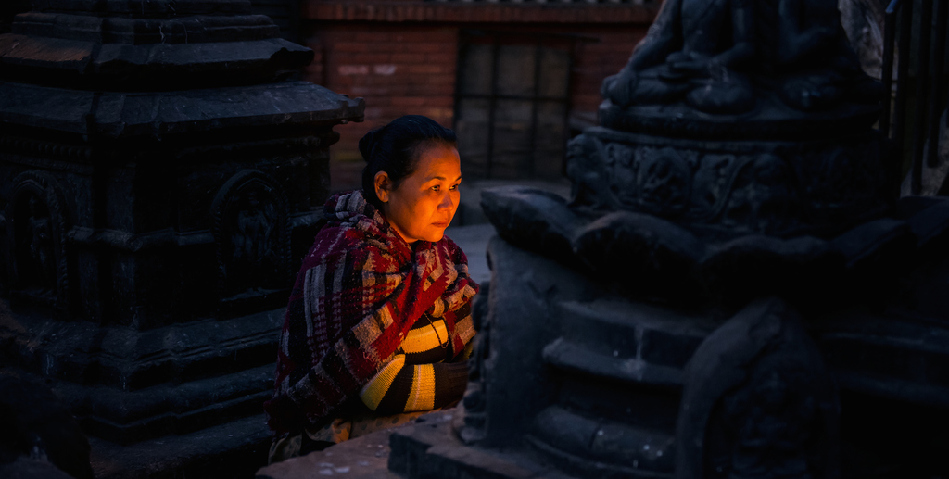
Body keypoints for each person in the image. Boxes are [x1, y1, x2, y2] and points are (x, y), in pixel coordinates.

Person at [263, 115, 478, 462]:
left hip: (421, 408)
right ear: (383, 186)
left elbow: (473, 332)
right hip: (334, 430)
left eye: (454, 186)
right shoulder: (351, 254)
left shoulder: (441, 253)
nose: (448, 202)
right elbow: (380, 388)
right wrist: (476, 375)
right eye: (434, 187)